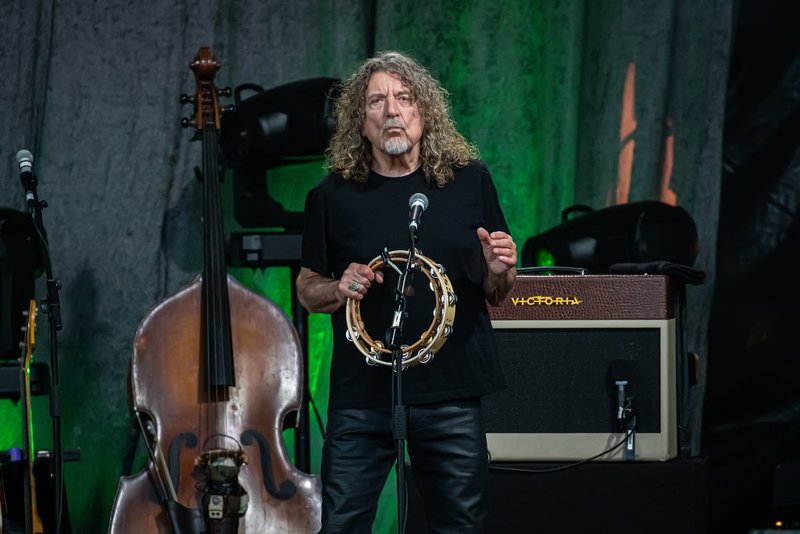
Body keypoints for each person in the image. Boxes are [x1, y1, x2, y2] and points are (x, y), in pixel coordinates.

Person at [297, 51, 517, 534]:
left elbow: (497, 291)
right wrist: (338, 286)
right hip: (363, 399)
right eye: (377, 101)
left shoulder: (470, 182)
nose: (392, 110)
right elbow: (306, 290)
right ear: (361, 119)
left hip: (452, 396)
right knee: (342, 525)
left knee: (462, 525)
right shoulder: (330, 197)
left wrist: (500, 268)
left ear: (425, 112)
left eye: (404, 98)